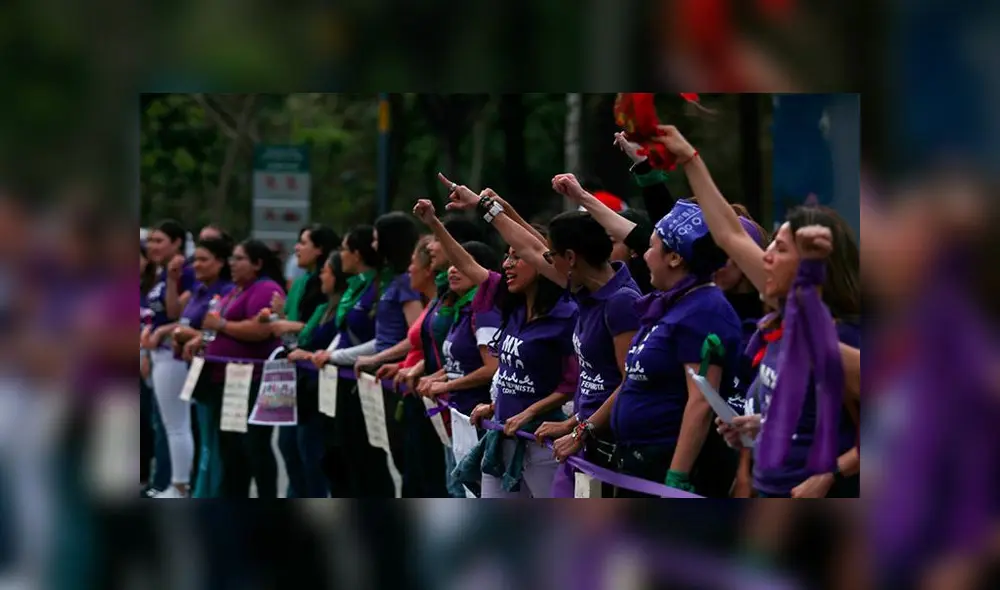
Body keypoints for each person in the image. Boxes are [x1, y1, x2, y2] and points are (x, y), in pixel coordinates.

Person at [648, 125, 861, 498]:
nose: (765, 257)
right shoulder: (786, 316)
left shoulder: (842, 337)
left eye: (779, 250)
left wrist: (830, 474)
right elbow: (728, 234)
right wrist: (688, 159)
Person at [551, 173, 744, 497]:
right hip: (637, 463)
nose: (644, 254)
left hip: (664, 471)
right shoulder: (670, 304)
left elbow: (700, 403)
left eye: (651, 247)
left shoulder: (704, 310)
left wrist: (676, 477)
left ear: (675, 257)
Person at [458, 188, 642, 497]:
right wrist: (486, 206)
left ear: (570, 258)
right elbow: (530, 247)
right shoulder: (585, 290)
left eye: (551, 256)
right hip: (584, 438)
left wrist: (581, 429)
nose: (543, 263)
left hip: (610, 447)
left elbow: (630, 380)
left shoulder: (622, 302)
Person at [424, 172, 579, 499]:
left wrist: (529, 412)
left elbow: (570, 383)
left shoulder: (567, 313)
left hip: (540, 442)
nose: (507, 264)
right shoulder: (514, 307)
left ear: (541, 262)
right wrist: (435, 224)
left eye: (516, 257)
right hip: (500, 436)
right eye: (506, 255)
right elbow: (467, 264)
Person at [187, 239, 286, 499]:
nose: (232, 264)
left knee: (254, 448)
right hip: (228, 381)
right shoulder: (236, 291)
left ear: (257, 264)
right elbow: (214, 325)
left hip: (253, 381)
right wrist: (204, 338)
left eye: (239, 259)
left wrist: (221, 326)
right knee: (231, 451)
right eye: (231, 258)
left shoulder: (265, 289)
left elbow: (262, 329)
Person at [310, 226, 383, 497]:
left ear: (357, 253)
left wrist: (332, 356)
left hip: (365, 384)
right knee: (342, 459)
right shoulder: (356, 287)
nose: (340, 255)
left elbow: (383, 340)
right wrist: (328, 354)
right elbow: (343, 332)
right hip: (342, 381)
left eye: (343, 249)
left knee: (367, 464)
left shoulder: (377, 287)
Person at [268, 224, 339, 498]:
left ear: (320, 249)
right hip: (295, 375)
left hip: (314, 378)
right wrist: (281, 315)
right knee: (290, 447)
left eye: (303, 242)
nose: (297, 247)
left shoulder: (327, 295)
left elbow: (311, 330)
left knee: (308, 451)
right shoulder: (303, 282)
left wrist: (287, 323)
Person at [277, 251, 351, 497]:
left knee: (317, 459)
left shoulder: (343, 307)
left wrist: (308, 355)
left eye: (326, 271)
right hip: (305, 390)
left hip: (325, 392)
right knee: (293, 450)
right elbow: (304, 338)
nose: (321, 275)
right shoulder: (323, 307)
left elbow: (333, 345)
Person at [168, 237, 235, 498]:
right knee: (203, 440)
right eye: (195, 259)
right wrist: (180, 334)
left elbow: (213, 330)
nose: (196, 264)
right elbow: (179, 317)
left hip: (215, 376)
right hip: (194, 372)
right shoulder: (199, 290)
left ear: (220, 263)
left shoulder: (225, 292)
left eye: (204, 259)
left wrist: (190, 334)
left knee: (213, 444)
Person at [140, 219, 196, 498]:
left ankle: (180, 486)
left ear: (177, 243)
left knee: (177, 425)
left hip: (173, 356)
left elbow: (177, 314)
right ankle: (174, 484)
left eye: (159, 241)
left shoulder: (186, 273)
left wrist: (161, 330)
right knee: (168, 423)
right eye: (150, 241)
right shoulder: (162, 273)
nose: (152, 246)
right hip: (157, 355)